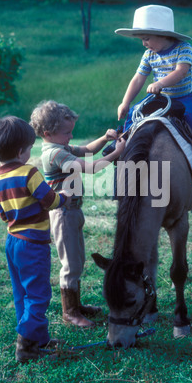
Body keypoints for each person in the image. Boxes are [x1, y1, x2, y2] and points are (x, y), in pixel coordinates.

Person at [30, 100, 126, 328]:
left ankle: (76, 305)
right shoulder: (54, 154)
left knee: (77, 260)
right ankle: (70, 312)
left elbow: (88, 150)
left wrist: (105, 138)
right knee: (70, 264)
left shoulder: (59, 146)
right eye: (67, 133)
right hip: (62, 214)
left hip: (72, 212)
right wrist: (116, 153)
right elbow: (91, 167)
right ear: (47, 133)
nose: (71, 137)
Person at [0, 116, 69, 363]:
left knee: (21, 293)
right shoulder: (29, 173)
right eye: (31, 147)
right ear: (21, 151)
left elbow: (3, 214)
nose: (31, 152)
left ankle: (38, 339)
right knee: (39, 295)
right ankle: (26, 347)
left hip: (12, 242)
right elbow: (50, 200)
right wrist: (63, 196)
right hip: (33, 245)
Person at [115, 5, 192, 174]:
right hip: (160, 98)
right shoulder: (149, 55)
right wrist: (125, 102)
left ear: (163, 35)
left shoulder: (183, 48)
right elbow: (138, 78)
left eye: (147, 38)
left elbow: (181, 71)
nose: (144, 44)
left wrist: (160, 84)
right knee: (135, 112)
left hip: (182, 97)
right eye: (141, 39)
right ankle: (123, 141)